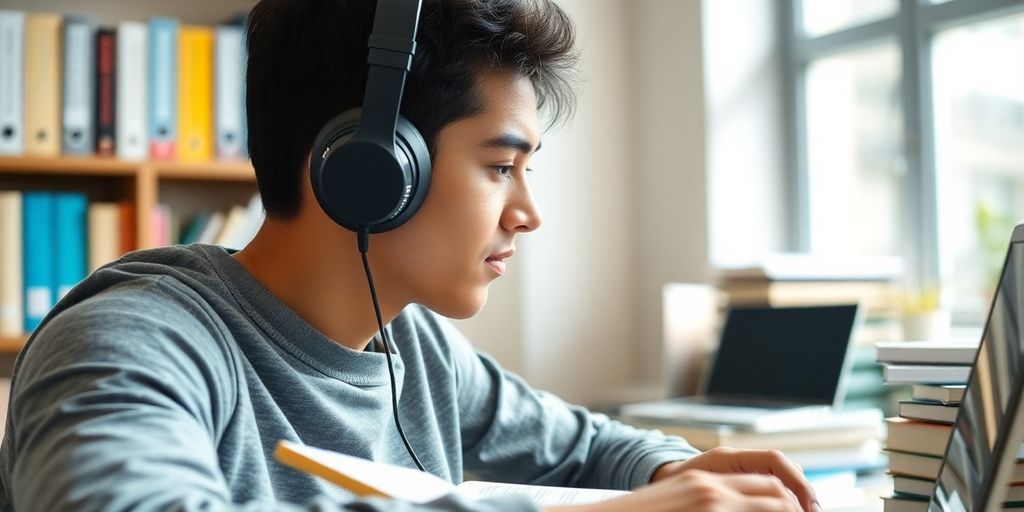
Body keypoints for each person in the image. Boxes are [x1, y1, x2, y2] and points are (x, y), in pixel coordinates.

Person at [0, 1, 822, 511]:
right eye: (502, 168)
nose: (529, 213)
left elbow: (586, 447)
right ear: (369, 167)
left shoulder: (416, 351)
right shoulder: (130, 342)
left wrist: (683, 476)